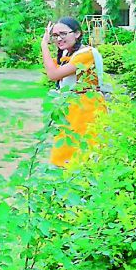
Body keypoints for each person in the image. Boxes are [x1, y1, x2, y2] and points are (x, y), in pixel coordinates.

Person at [40, 16, 105, 167]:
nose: (58, 39)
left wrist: (44, 45)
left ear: (77, 34)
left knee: (84, 155)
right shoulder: (67, 54)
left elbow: (53, 74)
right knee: (65, 154)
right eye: (55, 35)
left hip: (87, 108)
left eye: (63, 34)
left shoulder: (86, 54)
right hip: (73, 108)